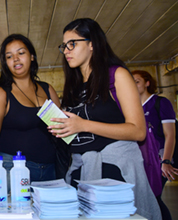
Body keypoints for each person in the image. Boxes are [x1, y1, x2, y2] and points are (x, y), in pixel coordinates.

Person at [49, 18, 161, 219]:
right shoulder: (74, 85)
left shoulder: (116, 75)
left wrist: (82, 125)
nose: (66, 50)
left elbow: (138, 130)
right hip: (80, 170)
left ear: (92, 44)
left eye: (72, 44)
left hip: (114, 173)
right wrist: (63, 128)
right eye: (63, 46)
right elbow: (78, 131)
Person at [0, 34, 60, 183]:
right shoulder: (1, 93)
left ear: (32, 56)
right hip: (13, 169)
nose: (16, 59)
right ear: (6, 63)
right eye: (9, 56)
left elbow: (63, 130)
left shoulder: (47, 89)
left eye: (21, 53)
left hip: (50, 169)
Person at [132, 70, 178, 220]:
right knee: (146, 199)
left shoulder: (160, 103)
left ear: (147, 83)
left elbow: (170, 134)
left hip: (159, 157)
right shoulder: (133, 107)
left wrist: (166, 161)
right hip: (143, 160)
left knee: (154, 198)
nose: (133, 84)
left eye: (137, 81)